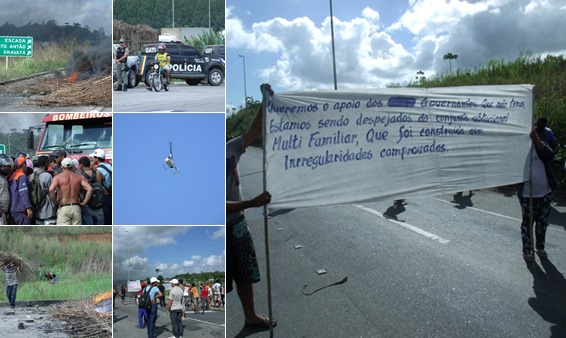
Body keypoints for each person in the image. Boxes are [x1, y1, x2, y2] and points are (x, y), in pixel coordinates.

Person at [226, 83, 277, 328]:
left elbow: (256, 127)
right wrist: (251, 203)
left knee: (244, 275)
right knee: (220, 281)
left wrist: (265, 100)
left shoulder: (231, 148)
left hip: (237, 226)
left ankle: (250, 316)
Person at [517, 129, 557, 260]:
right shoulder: (518, 150)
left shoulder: (541, 145)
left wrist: (536, 141)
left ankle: (540, 247)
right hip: (527, 195)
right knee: (527, 223)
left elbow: (550, 155)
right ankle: (527, 250)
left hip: (545, 193)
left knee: (542, 223)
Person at [48, 158, 92, 225]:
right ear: (72, 166)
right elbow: (90, 189)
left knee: (63, 232)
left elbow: (51, 190)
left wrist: (55, 201)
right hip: (76, 207)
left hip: (64, 207)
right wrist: (84, 202)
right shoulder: (78, 177)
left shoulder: (58, 177)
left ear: (62, 166)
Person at [78, 157, 104, 225]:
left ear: (81, 165)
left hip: (87, 204)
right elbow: (103, 179)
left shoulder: (80, 176)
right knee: (100, 225)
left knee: (88, 225)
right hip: (99, 204)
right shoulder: (98, 173)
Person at [8, 156, 33, 225]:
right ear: (24, 165)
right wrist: (28, 208)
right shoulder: (22, 176)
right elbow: (23, 192)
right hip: (21, 210)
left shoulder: (12, 175)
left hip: (12, 210)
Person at [90, 149, 112, 225]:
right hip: (111, 193)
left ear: (97, 158)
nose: (91, 158)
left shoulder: (99, 169)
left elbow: (99, 181)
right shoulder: (109, 165)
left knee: (106, 216)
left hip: (106, 195)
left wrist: (93, 168)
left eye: (93, 157)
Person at [33, 156, 57, 225]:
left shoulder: (32, 176)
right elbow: (52, 191)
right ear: (46, 163)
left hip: (36, 211)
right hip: (48, 210)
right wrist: (55, 203)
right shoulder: (47, 176)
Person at [0, 154, 12, 225]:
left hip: (4, 211)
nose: (7, 168)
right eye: (5, 167)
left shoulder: (3, 177)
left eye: (8, 166)